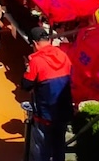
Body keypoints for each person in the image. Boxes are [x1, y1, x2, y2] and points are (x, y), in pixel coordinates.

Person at [22, 27, 74, 161]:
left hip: (45, 115)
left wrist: (28, 67)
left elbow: (26, 85)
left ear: (34, 43)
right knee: (59, 148)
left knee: (41, 150)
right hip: (63, 112)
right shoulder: (63, 55)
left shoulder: (36, 61)